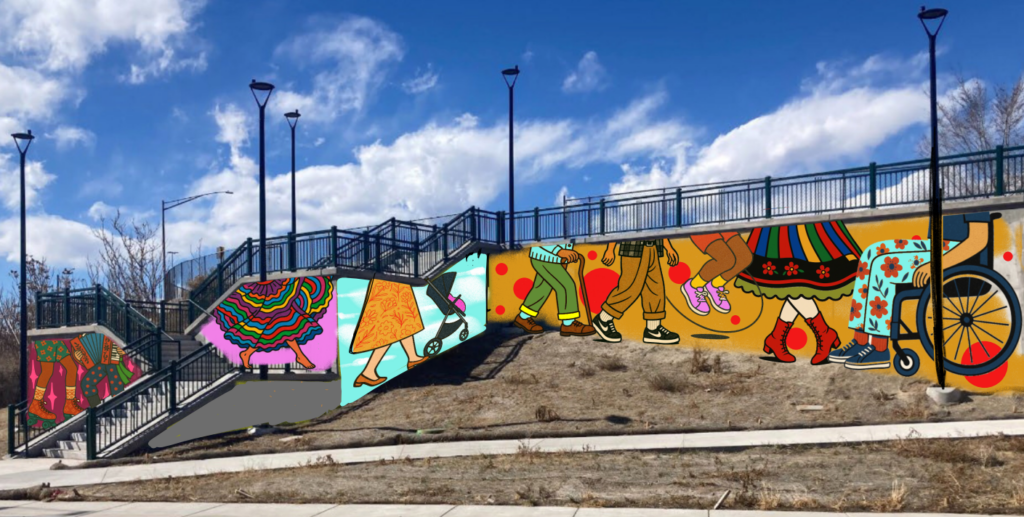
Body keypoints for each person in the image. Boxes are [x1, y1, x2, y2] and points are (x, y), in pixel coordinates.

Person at [835, 212, 991, 370]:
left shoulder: (974, 196)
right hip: (937, 246)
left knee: (884, 267)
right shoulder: (945, 195)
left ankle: (879, 347)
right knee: (871, 253)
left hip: (958, 259)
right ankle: (860, 339)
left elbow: (978, 240)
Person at [735, 221, 862, 365]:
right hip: (782, 224)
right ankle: (822, 333)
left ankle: (779, 337)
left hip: (805, 222)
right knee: (794, 281)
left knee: (797, 279)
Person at [215, 276, 334, 369]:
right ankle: (300, 356)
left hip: (274, 289)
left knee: (282, 323)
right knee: (279, 323)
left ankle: (248, 353)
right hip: (265, 292)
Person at [592, 239, 681, 345]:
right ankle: (603, 319)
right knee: (630, 288)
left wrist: (668, 248)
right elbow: (617, 226)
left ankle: (653, 329)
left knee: (655, 289)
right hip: (633, 248)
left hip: (653, 248)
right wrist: (610, 249)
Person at [351, 278, 428, 388]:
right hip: (388, 286)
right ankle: (368, 372)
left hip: (394, 285)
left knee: (404, 322)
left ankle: (412, 357)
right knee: (389, 330)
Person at [514, 242, 596, 337]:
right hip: (546, 256)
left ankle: (523, 317)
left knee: (541, 289)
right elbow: (544, 237)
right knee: (566, 285)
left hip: (548, 257)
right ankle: (568, 324)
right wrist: (558, 250)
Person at [682, 232, 753, 315]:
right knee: (725, 259)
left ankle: (715, 285)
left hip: (725, 222)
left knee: (744, 258)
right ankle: (694, 285)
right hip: (702, 224)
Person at [26, 339, 83, 427]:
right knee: (47, 371)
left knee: (71, 368)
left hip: (57, 343)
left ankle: (69, 404)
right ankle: (35, 405)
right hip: (46, 342)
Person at [70, 334, 132, 408]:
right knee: (86, 383)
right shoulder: (78, 341)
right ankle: (96, 407)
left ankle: (118, 403)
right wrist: (79, 358)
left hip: (112, 356)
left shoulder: (98, 335)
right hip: (102, 363)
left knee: (113, 375)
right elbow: (87, 361)